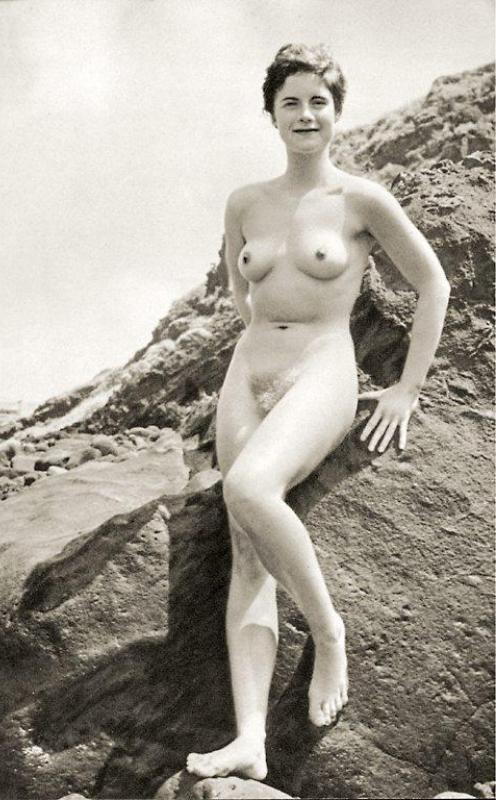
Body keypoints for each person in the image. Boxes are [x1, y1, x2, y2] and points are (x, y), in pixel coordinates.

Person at [186, 43, 450, 781]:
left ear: (336, 112)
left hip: (321, 367)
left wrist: (405, 389)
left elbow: (433, 286)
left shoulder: (361, 200)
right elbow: (238, 286)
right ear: (271, 115)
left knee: (248, 488)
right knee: (246, 550)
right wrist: (259, 337)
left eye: (318, 102)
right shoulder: (245, 202)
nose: (305, 115)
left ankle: (329, 633)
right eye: (291, 103)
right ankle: (250, 740)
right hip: (248, 372)